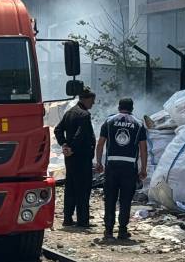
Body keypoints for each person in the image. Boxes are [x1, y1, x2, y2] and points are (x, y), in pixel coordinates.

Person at [95, 98, 148, 240]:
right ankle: (123, 231)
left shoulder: (109, 121)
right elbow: (143, 149)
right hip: (129, 168)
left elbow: (100, 144)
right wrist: (143, 169)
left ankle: (108, 231)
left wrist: (98, 162)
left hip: (112, 167)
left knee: (110, 199)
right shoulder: (138, 124)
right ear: (132, 108)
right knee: (125, 200)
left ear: (119, 107)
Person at [54, 86, 96, 228]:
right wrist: (71, 147)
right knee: (83, 189)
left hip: (70, 158)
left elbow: (57, 130)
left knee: (70, 188)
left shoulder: (70, 112)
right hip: (82, 157)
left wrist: (64, 145)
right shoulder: (84, 115)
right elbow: (81, 134)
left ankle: (67, 218)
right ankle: (83, 221)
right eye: (92, 100)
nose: (93, 103)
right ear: (85, 99)